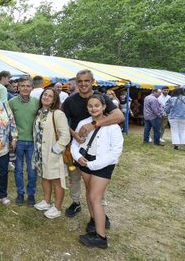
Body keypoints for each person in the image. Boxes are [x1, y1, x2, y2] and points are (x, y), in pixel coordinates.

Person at [62, 69, 124, 218]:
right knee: (74, 178)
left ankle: (98, 211)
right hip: (78, 147)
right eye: (80, 81)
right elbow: (62, 122)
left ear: (92, 81)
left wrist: (94, 124)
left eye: (87, 81)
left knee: (96, 184)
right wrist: (74, 135)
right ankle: (76, 202)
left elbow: (119, 116)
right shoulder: (70, 101)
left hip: (99, 149)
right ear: (76, 83)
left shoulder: (101, 98)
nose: (83, 84)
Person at [71, 93, 123, 249]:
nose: (93, 108)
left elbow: (115, 151)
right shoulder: (84, 123)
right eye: (90, 106)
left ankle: (101, 237)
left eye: (97, 106)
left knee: (95, 197)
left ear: (104, 107)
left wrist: (94, 165)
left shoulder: (112, 126)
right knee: (89, 192)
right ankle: (94, 221)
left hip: (103, 165)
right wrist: (77, 156)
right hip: (85, 162)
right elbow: (75, 144)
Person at [32, 88, 70, 219]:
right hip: (39, 152)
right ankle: (47, 201)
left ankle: (57, 207)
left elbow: (65, 135)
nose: (47, 97)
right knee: (44, 177)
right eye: (45, 95)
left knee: (56, 180)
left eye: (50, 96)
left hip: (53, 152)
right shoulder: (40, 113)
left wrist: (56, 150)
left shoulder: (57, 114)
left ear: (54, 100)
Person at [9, 77, 39, 206]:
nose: (25, 88)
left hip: (32, 141)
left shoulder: (37, 102)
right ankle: (20, 193)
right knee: (19, 169)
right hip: (19, 141)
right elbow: (9, 122)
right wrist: (12, 138)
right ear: (18, 87)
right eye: (22, 86)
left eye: (28, 86)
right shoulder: (12, 102)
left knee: (32, 170)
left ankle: (31, 194)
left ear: (31, 87)